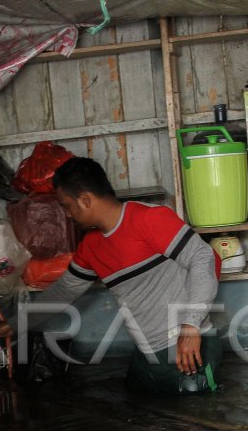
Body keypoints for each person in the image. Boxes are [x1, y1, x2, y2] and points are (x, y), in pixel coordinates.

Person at [20, 156, 221, 394]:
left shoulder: (148, 219)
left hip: (188, 346)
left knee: (194, 404)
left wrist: (190, 327)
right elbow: (63, 292)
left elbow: (203, 258)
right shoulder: (91, 247)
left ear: (85, 200)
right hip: (146, 354)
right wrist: (14, 325)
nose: (67, 215)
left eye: (66, 206)